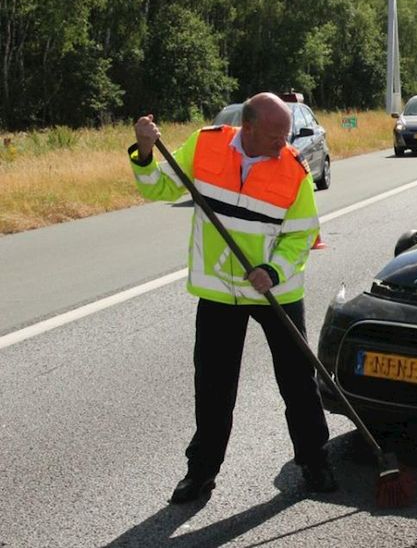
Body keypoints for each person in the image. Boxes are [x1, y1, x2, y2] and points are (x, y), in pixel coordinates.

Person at [129, 92, 335, 504]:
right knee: (213, 387)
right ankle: (201, 472)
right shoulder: (206, 144)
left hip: (274, 291)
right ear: (250, 127)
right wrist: (146, 151)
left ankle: (314, 461)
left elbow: (302, 236)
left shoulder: (293, 169)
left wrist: (272, 271)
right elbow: (161, 187)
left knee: (297, 382)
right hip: (221, 291)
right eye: (277, 135)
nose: (285, 143)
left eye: (288, 135)